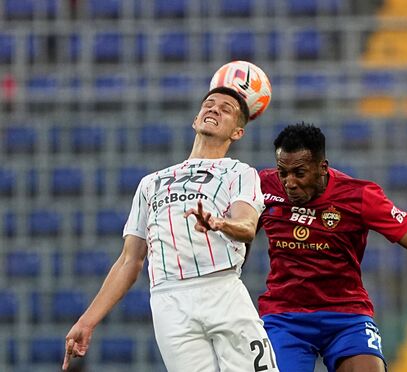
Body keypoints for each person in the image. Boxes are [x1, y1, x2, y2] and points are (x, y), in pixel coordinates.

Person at [62, 85, 279, 372]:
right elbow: (130, 260)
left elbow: (248, 225)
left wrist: (219, 223)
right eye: (209, 104)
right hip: (168, 301)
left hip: (221, 290)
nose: (214, 109)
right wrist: (87, 321)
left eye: (226, 109)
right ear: (195, 119)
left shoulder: (240, 172)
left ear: (237, 133)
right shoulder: (150, 183)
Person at [255, 123, 407, 372]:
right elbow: (240, 235)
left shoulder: (359, 196)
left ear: (322, 168)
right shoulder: (263, 186)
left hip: (345, 316)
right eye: (282, 173)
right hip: (284, 317)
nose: (289, 183)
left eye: (299, 173)